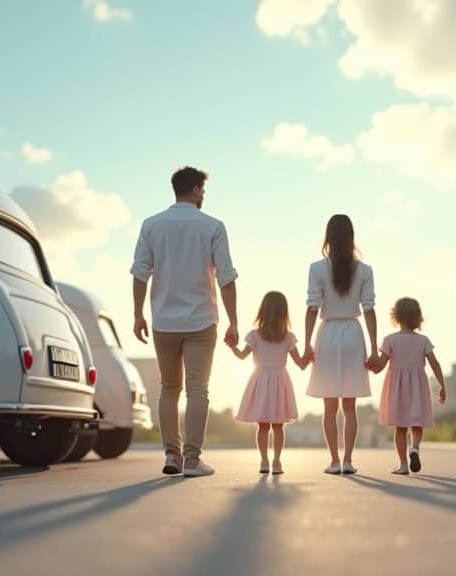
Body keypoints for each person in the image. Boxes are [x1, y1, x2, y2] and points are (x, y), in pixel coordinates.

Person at [130, 166, 239, 478]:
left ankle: (171, 455)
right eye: (203, 191)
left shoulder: (151, 225)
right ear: (195, 191)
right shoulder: (213, 227)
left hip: (163, 321)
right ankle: (192, 459)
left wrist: (138, 314)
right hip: (201, 321)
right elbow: (227, 278)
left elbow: (140, 273)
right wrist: (233, 321)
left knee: (169, 389)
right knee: (197, 389)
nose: (203, 196)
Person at [304, 214, 377, 475]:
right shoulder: (365, 270)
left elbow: (312, 308)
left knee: (329, 406)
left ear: (328, 237)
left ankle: (334, 461)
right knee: (350, 406)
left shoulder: (316, 268)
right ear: (351, 237)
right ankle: (348, 460)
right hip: (354, 336)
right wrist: (376, 349)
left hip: (327, 334)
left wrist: (306, 345)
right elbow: (369, 309)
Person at [229, 291, 310, 475]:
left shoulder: (255, 335)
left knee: (263, 425)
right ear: (284, 312)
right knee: (279, 425)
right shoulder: (288, 337)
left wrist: (232, 346)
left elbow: (242, 356)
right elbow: (301, 364)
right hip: (280, 381)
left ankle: (264, 461)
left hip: (260, 381)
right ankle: (277, 462)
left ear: (263, 311)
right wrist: (309, 355)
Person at [370, 297, 447, 475]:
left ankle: (403, 465)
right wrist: (442, 385)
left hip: (396, 388)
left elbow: (380, 365)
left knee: (400, 427)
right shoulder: (423, 340)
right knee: (417, 423)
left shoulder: (390, 340)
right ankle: (415, 448)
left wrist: (370, 366)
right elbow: (435, 363)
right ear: (417, 317)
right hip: (418, 386)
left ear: (395, 316)